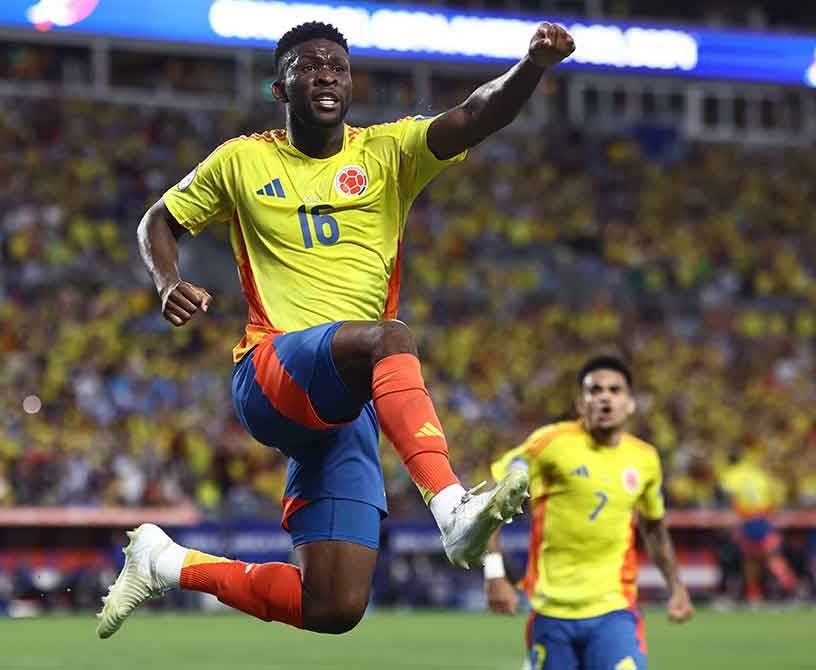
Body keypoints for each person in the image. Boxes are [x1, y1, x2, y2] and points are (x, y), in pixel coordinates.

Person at [97, 20, 575, 638]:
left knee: (334, 605)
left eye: (338, 66)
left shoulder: (388, 152)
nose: (327, 73)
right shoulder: (242, 159)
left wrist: (532, 66)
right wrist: (167, 283)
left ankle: (165, 562)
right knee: (388, 337)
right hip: (270, 374)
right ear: (281, 87)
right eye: (309, 65)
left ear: (350, 83)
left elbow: (476, 114)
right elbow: (156, 220)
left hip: (344, 411)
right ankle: (452, 507)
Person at [486, 356, 694, 670]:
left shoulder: (644, 459)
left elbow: (653, 527)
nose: (605, 397)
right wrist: (494, 574)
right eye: (595, 390)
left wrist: (676, 587)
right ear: (582, 403)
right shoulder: (551, 443)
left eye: (614, 390)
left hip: (614, 610)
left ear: (630, 404)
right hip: (551, 612)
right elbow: (495, 492)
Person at [719, 445, 797, 605]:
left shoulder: (732, 474)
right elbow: (773, 497)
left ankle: (755, 594)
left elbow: (729, 496)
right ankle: (790, 589)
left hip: (747, 517)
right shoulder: (759, 474)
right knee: (771, 556)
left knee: (751, 560)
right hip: (764, 517)